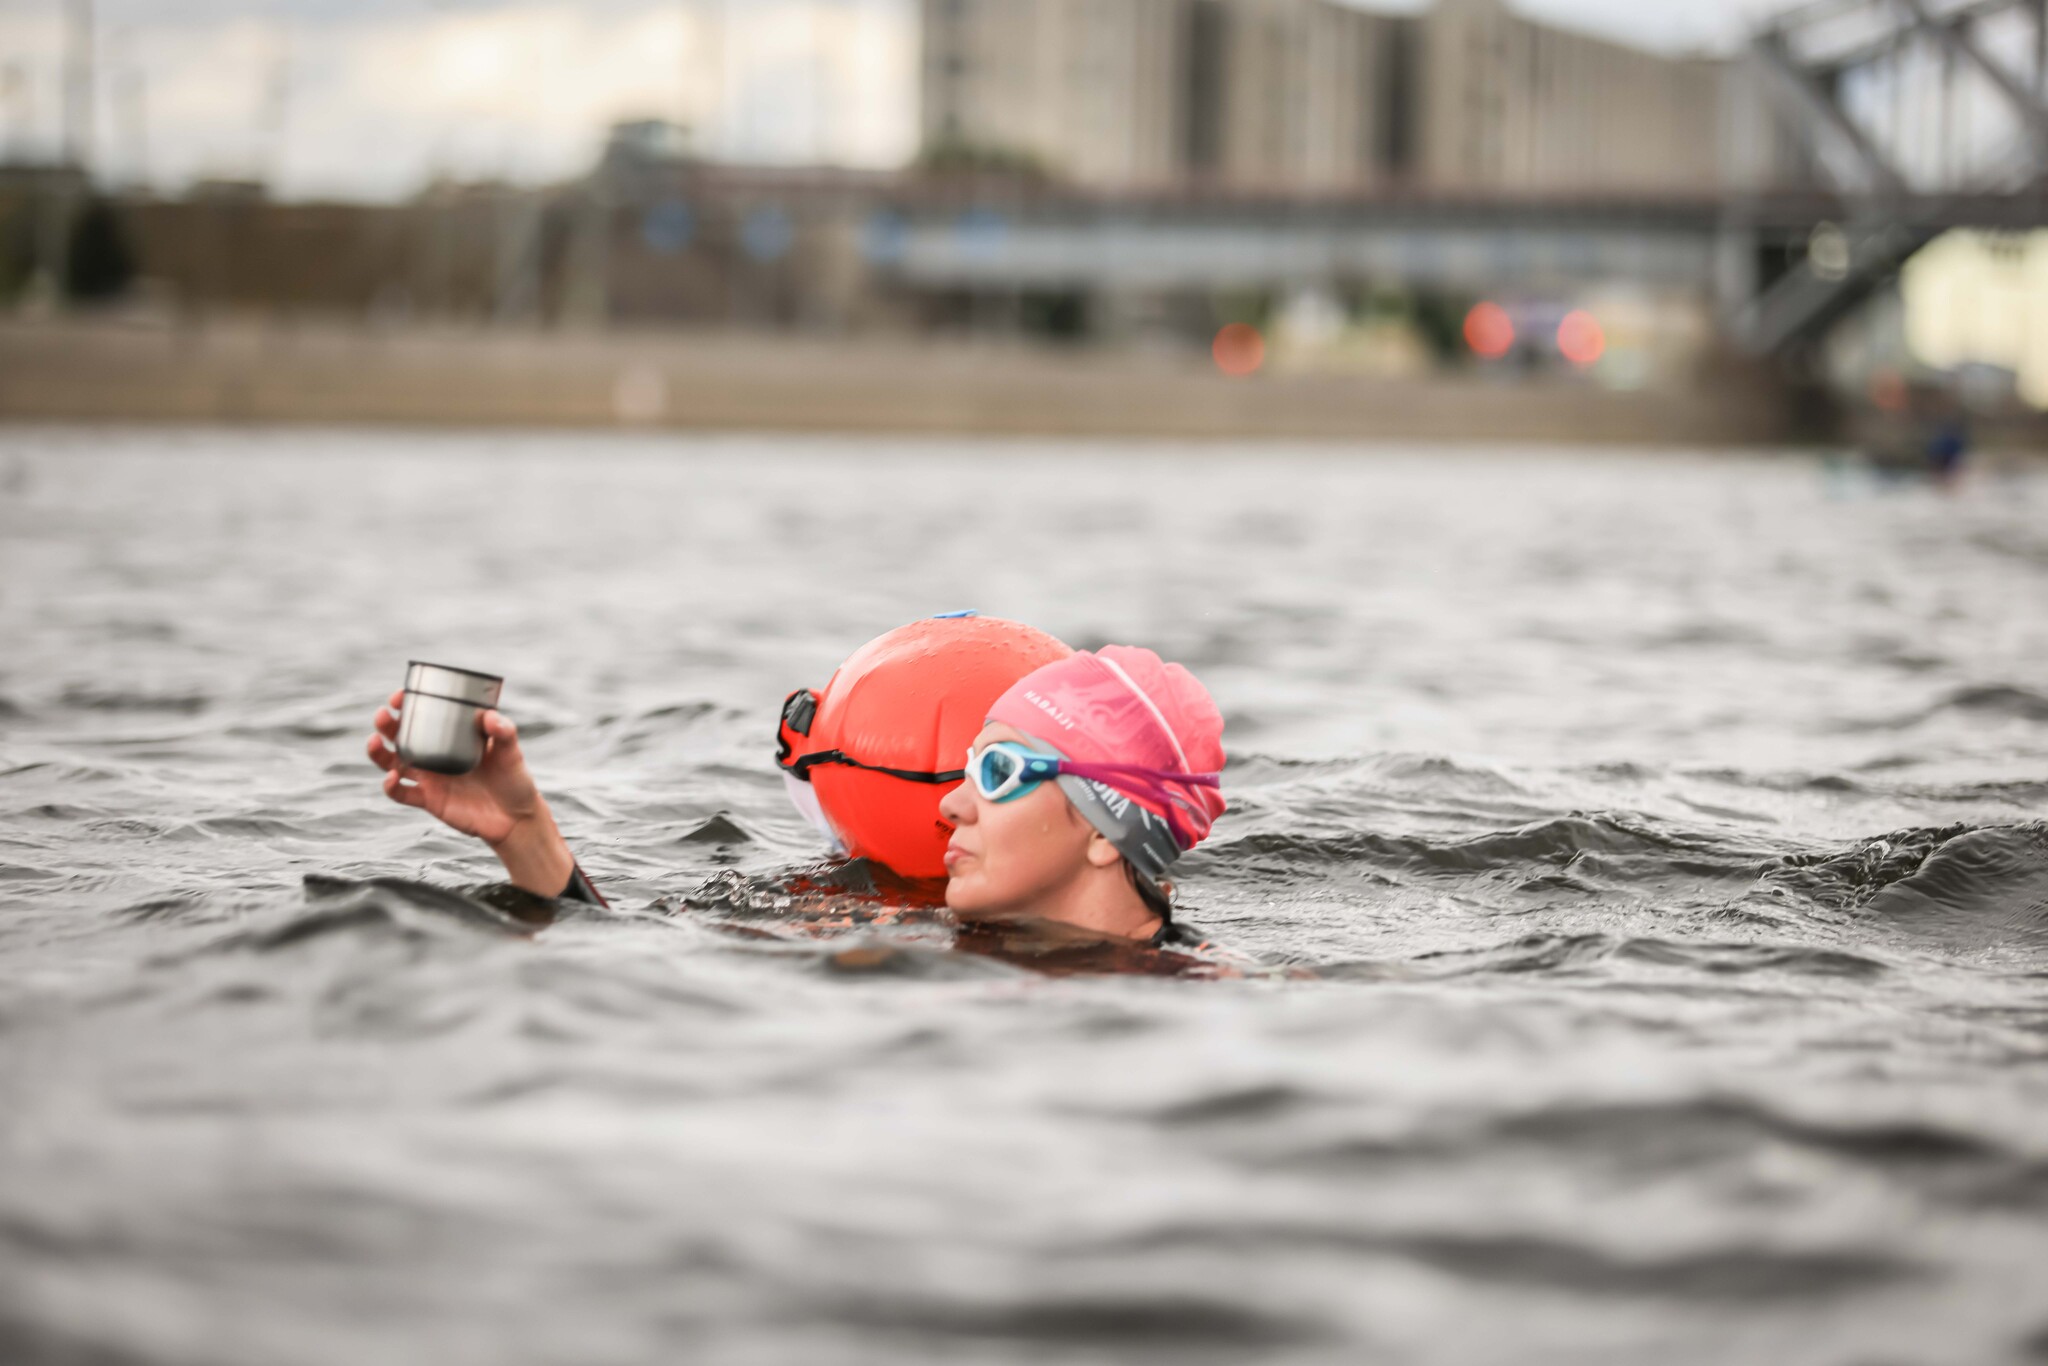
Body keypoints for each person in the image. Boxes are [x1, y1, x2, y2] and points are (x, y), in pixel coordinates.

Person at [366, 643, 1226, 947]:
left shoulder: (1198, 1002)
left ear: (1108, 831)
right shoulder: (884, 928)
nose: (950, 807)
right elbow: (617, 953)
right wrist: (521, 830)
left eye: (995, 775)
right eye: (964, 771)